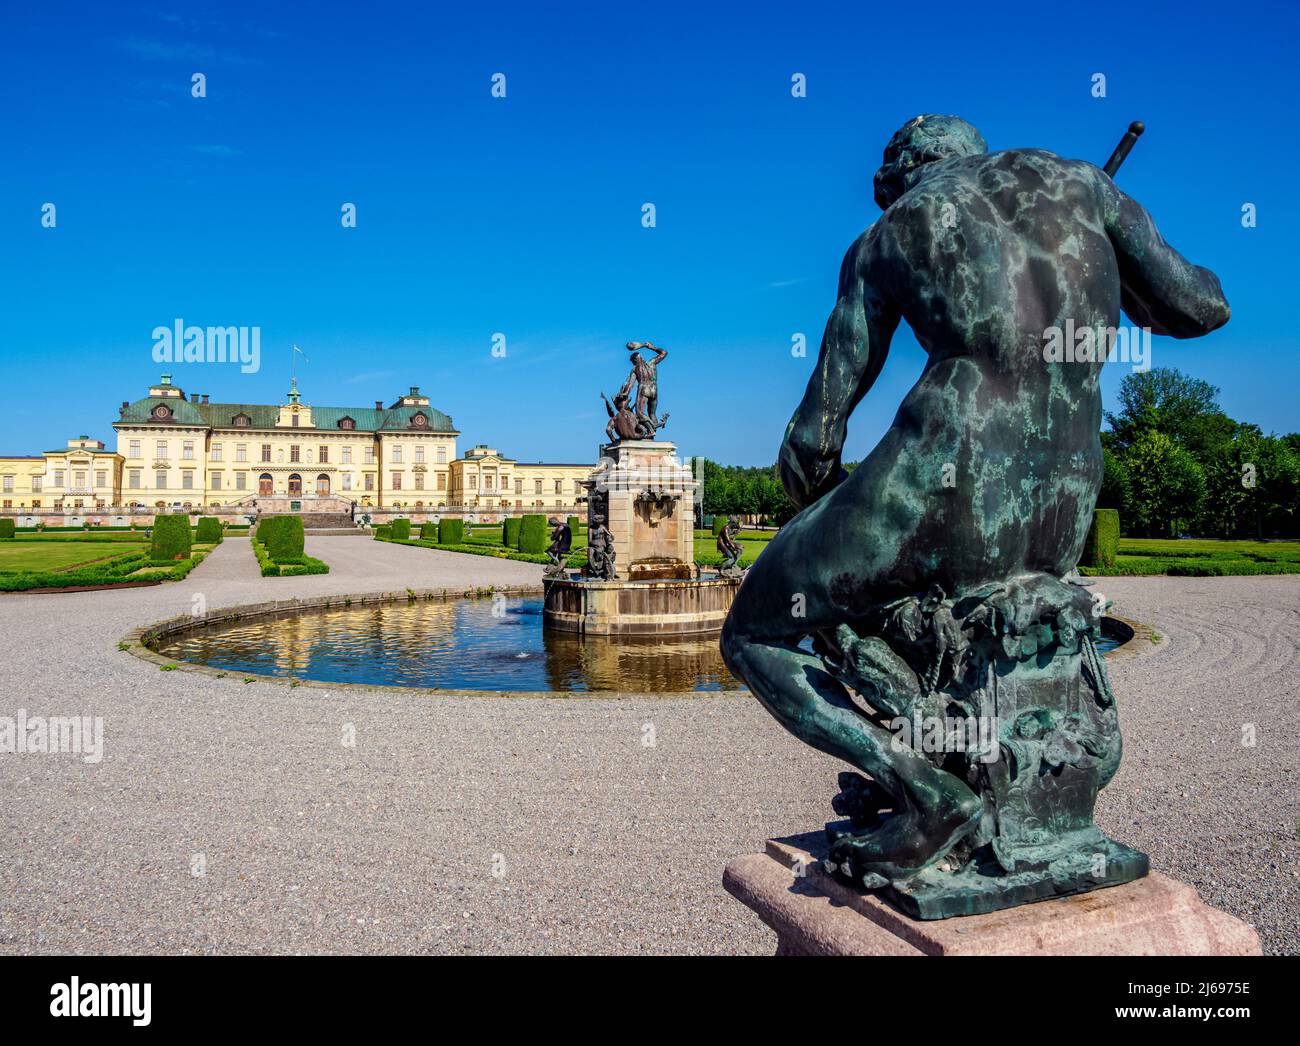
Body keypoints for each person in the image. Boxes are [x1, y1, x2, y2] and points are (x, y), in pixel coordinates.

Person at [720, 114, 1229, 885]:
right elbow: (1198, 307)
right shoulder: (1082, 185)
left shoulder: (886, 233)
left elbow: (811, 441)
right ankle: (1007, 790)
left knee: (756, 633)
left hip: (945, 473)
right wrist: (1112, 254)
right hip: (1064, 500)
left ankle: (927, 794)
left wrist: (825, 513)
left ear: (900, 174)